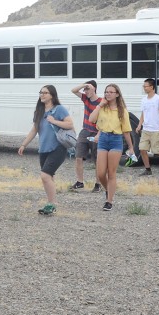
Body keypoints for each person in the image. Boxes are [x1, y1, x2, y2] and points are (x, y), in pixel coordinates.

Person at [18, 85, 74, 216]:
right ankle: (52, 203)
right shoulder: (40, 110)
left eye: (45, 93)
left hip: (58, 148)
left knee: (45, 175)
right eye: (41, 93)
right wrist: (23, 145)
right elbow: (34, 129)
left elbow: (70, 124)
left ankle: (51, 204)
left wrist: (54, 121)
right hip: (43, 149)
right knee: (49, 177)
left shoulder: (59, 109)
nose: (42, 95)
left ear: (52, 95)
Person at [89, 84, 134, 211]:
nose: (107, 94)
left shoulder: (122, 110)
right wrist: (99, 105)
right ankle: (108, 190)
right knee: (101, 172)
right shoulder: (102, 107)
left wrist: (131, 147)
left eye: (111, 92)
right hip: (103, 138)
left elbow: (126, 131)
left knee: (111, 172)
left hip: (116, 139)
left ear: (117, 94)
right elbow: (91, 119)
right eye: (106, 92)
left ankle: (109, 201)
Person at [69, 80, 102, 193]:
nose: (85, 91)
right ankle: (79, 182)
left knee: (97, 160)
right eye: (85, 89)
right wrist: (84, 85)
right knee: (78, 156)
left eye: (88, 89)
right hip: (85, 131)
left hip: (97, 131)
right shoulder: (85, 99)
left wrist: (99, 134)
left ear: (94, 89)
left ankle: (98, 184)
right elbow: (73, 90)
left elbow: (105, 120)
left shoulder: (101, 102)